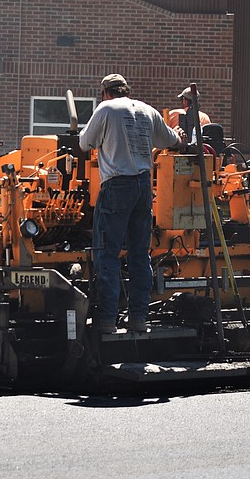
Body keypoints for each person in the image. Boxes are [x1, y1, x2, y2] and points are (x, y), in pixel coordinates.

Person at [78, 74, 184, 334]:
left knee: (108, 254)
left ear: (105, 92)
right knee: (139, 255)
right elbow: (173, 142)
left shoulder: (106, 109)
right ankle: (138, 318)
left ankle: (106, 321)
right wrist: (180, 136)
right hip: (143, 187)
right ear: (126, 90)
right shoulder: (147, 110)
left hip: (116, 186)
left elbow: (84, 143)